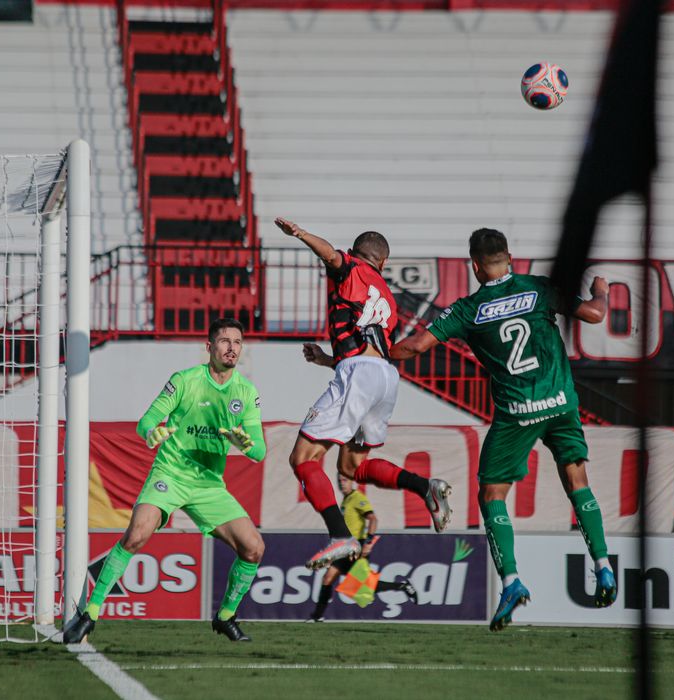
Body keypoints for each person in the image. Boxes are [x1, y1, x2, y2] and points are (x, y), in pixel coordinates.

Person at [390, 228, 618, 632]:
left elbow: (412, 348)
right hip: (561, 403)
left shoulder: (468, 308)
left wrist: (372, 349)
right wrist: (601, 290)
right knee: (577, 480)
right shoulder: (540, 288)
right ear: (510, 257)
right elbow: (595, 314)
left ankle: (511, 581)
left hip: (517, 412)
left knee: (492, 493)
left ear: (474, 265)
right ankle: (603, 566)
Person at [63, 318, 266, 644]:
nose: (231, 348)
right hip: (170, 474)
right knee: (137, 534)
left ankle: (226, 616)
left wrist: (247, 445)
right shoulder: (185, 381)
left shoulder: (246, 392)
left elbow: (259, 449)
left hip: (208, 485)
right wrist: (153, 433)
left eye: (237, 342)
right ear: (209, 347)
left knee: (254, 548)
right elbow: (146, 421)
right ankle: (90, 613)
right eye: (224, 341)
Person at [275, 217, 452, 572]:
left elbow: (331, 257)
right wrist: (329, 360)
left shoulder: (351, 267)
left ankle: (340, 536)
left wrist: (301, 234)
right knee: (351, 466)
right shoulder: (384, 293)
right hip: (384, 378)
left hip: (359, 374)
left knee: (303, 458)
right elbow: (369, 348)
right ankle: (425, 486)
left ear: (359, 254)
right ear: (383, 263)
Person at [307, 473, 418, 622]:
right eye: (339, 481)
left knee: (366, 585)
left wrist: (368, 541)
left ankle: (403, 586)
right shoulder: (346, 500)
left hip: (355, 548)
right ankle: (317, 616)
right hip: (344, 548)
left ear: (353, 482)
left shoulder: (357, 497)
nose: (342, 483)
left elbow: (373, 519)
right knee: (328, 578)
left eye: (345, 480)